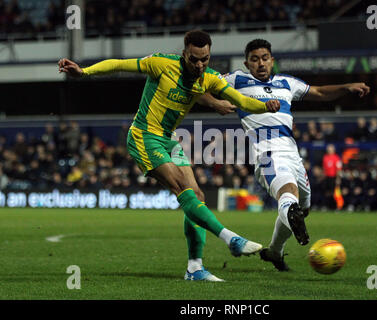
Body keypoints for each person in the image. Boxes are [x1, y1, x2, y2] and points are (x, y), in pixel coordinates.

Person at [58, 30, 281, 282]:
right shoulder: (162, 64)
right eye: (194, 59)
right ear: (185, 53)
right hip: (144, 135)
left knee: (196, 196)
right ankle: (230, 238)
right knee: (180, 187)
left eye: (205, 59)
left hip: (169, 139)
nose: (199, 65)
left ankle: (195, 268)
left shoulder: (209, 78)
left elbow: (240, 99)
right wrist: (84, 72)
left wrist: (265, 106)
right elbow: (120, 64)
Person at [198, 38, 370, 271]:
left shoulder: (286, 83)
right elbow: (195, 88)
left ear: (272, 61)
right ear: (247, 63)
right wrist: (215, 103)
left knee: (301, 208)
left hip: (292, 153)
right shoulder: (235, 80)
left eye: (265, 58)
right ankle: (284, 231)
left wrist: (345, 87)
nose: (261, 63)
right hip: (266, 153)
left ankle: (275, 252)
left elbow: (318, 92)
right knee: (287, 195)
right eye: (255, 59)